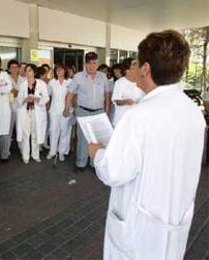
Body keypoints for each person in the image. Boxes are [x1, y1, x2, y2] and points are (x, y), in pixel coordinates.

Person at [88, 30, 205, 260]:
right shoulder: (193, 112)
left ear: (146, 69)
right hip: (174, 222)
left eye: (138, 63)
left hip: (138, 233)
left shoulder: (139, 116)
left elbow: (113, 172)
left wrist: (97, 153)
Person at [63, 52, 111, 171]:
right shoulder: (78, 76)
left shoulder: (103, 76)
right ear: (85, 64)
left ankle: (94, 163)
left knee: (96, 139)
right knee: (83, 138)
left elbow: (107, 95)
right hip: (83, 111)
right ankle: (81, 163)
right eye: (89, 63)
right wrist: (66, 108)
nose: (92, 66)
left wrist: (107, 111)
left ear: (97, 63)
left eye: (94, 63)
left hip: (99, 112)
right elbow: (70, 94)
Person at [16, 64, 49, 164]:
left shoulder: (41, 84)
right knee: (26, 134)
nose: (27, 72)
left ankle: (35, 155)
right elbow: (18, 100)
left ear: (34, 72)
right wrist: (25, 99)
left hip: (37, 111)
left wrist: (38, 99)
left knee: (35, 134)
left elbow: (46, 98)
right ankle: (25, 156)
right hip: (25, 111)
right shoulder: (22, 85)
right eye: (26, 70)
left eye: (29, 70)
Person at [46, 64, 73, 162]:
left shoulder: (70, 82)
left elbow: (73, 96)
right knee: (53, 130)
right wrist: (48, 108)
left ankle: (61, 152)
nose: (59, 72)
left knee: (64, 130)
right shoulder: (52, 82)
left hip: (66, 110)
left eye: (61, 70)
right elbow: (48, 96)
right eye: (57, 70)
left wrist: (69, 108)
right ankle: (52, 151)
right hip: (54, 110)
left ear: (65, 71)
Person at [111, 58, 144, 126]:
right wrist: (126, 101)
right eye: (134, 67)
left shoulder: (141, 82)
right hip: (122, 121)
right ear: (127, 70)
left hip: (136, 121)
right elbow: (117, 101)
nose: (137, 69)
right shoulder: (119, 83)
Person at [7, 59, 26, 144]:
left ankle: (22, 149)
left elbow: (24, 94)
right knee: (8, 130)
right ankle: (6, 151)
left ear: (19, 69)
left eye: (16, 67)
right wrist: (15, 93)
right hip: (9, 109)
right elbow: (9, 96)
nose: (14, 70)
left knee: (21, 130)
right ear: (9, 69)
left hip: (20, 108)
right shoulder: (6, 79)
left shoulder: (23, 80)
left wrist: (15, 92)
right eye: (12, 68)